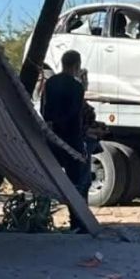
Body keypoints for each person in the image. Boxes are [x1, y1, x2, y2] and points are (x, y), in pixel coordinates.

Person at [41, 50, 90, 232]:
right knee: (76, 182)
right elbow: (76, 114)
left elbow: (44, 110)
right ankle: (77, 221)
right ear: (77, 65)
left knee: (48, 179)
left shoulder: (50, 83)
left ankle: (42, 214)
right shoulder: (76, 87)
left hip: (52, 137)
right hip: (71, 138)